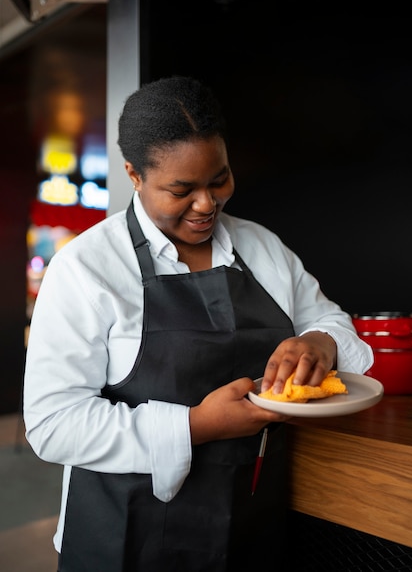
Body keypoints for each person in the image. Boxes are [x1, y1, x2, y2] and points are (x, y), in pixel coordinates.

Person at [24, 75, 373, 572]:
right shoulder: (86, 268)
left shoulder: (261, 246)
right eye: (182, 189)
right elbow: (53, 424)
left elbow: (331, 321)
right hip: (126, 536)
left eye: (219, 179)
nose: (207, 204)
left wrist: (320, 340)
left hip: (251, 521)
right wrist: (195, 426)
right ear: (134, 175)